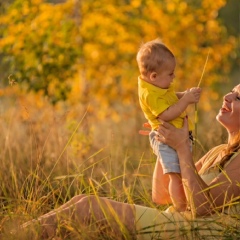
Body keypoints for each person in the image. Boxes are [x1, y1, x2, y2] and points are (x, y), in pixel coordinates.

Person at [15, 84, 240, 239]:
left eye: (238, 97)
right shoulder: (218, 151)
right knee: (80, 201)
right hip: (175, 220)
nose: (227, 97)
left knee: (87, 207)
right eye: (230, 92)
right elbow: (161, 195)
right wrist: (166, 145)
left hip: (193, 232)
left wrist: (182, 148)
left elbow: (203, 208)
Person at [136, 39, 201, 211]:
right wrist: (186, 101)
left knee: (183, 173)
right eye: (171, 74)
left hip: (176, 135)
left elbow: (170, 99)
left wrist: (184, 95)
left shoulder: (157, 86)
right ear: (154, 76)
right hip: (166, 139)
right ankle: (180, 210)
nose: (174, 77)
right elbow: (167, 114)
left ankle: (186, 205)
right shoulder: (150, 94)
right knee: (175, 176)